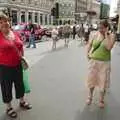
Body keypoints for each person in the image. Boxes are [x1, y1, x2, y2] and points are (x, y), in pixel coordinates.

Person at [0, 13, 32, 118]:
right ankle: (9, 107)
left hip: (18, 65)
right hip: (4, 67)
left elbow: (20, 45)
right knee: (6, 87)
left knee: (20, 84)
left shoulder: (15, 33)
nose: (4, 23)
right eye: (1, 22)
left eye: (6, 21)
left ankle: (22, 101)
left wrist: (22, 55)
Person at [86, 20, 115, 108]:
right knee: (92, 80)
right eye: (99, 27)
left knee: (103, 81)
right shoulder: (94, 34)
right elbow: (90, 44)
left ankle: (101, 100)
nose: (100, 29)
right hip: (94, 61)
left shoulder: (111, 36)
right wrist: (87, 54)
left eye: (102, 28)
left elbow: (108, 47)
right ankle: (90, 97)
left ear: (107, 27)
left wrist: (106, 35)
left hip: (105, 63)